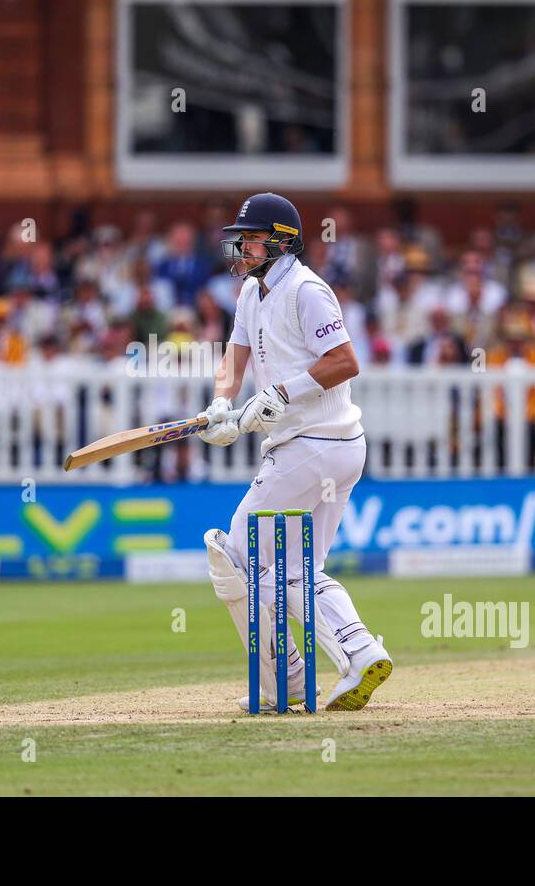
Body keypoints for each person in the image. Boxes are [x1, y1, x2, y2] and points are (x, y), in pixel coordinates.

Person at [198, 193, 391, 713]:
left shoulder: (306, 289)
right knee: (297, 571)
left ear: (281, 240)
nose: (239, 247)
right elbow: (233, 360)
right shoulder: (249, 293)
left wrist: (282, 394)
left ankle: (283, 681)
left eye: (250, 238)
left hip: (313, 443)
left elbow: (345, 361)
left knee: (234, 557)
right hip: (331, 448)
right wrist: (220, 404)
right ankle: (359, 650)